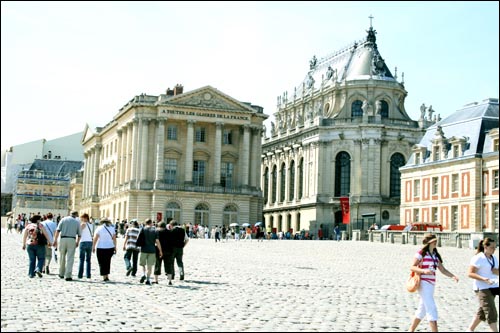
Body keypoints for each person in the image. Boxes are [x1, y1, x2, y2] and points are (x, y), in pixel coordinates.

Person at [408, 233, 459, 332]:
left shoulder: (435, 255)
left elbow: (443, 270)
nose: (435, 243)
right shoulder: (421, 253)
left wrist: (453, 276)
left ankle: (411, 330)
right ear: (429, 243)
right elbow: (412, 267)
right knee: (432, 309)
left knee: (422, 310)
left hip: (431, 284)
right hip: (423, 283)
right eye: (434, 241)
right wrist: (424, 271)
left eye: (436, 241)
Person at [467, 237, 499, 332]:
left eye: (495, 247)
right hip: (482, 288)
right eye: (492, 247)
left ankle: (470, 329)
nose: (494, 249)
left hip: (494, 286)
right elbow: (470, 273)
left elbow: (496, 271)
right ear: (485, 246)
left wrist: (496, 271)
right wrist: (483, 278)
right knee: (490, 311)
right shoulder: (478, 258)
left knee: (482, 310)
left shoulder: (494, 258)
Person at [53, 210, 81, 281]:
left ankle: (61, 273)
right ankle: (68, 275)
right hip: (72, 239)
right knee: (70, 257)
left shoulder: (63, 219)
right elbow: (79, 234)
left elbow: (58, 230)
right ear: (76, 215)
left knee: (62, 256)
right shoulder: (77, 222)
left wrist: (55, 240)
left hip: (63, 238)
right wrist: (77, 242)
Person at [139, 219, 162, 286]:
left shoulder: (143, 229)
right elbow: (157, 241)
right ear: (151, 223)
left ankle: (143, 274)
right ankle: (148, 279)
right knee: (150, 266)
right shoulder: (155, 230)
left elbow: (139, 238)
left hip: (144, 249)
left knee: (143, 264)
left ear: (145, 223)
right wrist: (160, 250)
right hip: (152, 250)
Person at [92, 217, 116, 282]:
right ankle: (107, 275)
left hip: (101, 247)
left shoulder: (99, 228)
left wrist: (93, 246)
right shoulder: (112, 228)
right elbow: (114, 238)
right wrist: (115, 247)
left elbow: (95, 238)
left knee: (101, 262)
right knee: (108, 262)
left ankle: (104, 276)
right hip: (110, 247)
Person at [167, 220, 189, 284]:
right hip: (180, 248)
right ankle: (181, 274)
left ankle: (172, 275)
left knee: (171, 262)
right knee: (180, 262)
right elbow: (187, 239)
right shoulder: (182, 230)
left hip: (172, 248)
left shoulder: (171, 231)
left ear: (171, 225)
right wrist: (183, 246)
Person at [78, 213, 94, 279]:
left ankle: (80, 274)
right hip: (90, 242)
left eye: (81, 218)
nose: (81, 219)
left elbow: (79, 232)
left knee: (81, 259)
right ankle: (88, 274)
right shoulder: (91, 225)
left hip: (83, 242)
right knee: (88, 260)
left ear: (85, 218)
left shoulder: (83, 224)